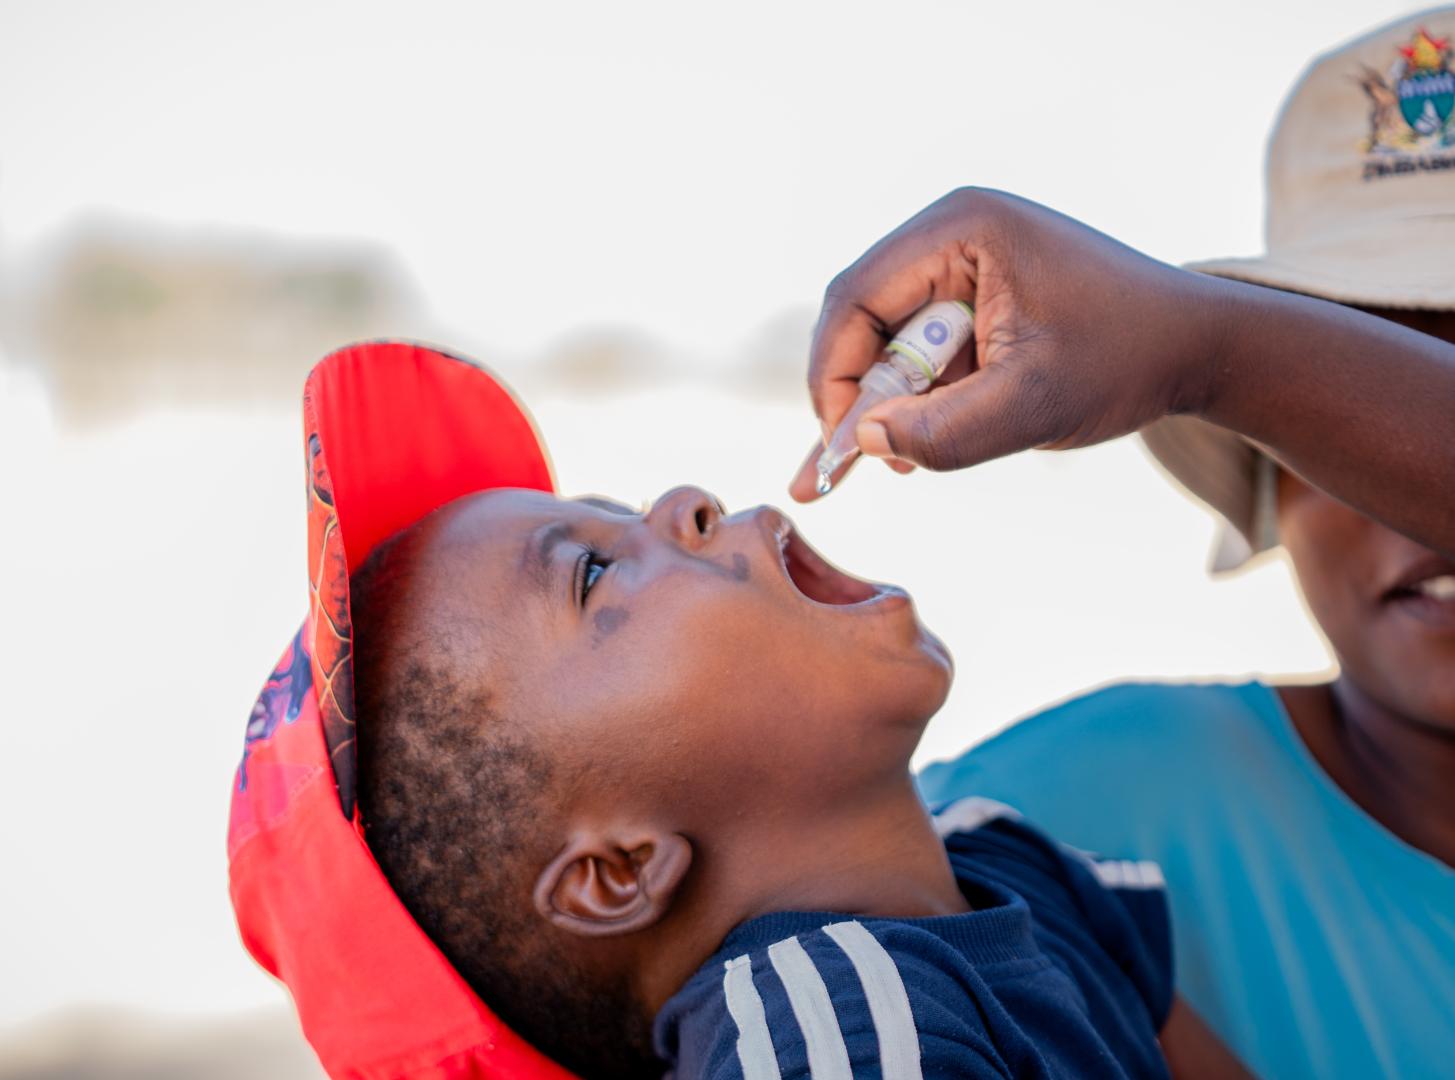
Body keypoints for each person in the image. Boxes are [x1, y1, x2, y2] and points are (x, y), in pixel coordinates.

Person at [230, 342, 1243, 1079]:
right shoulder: (819, 1034)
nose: (685, 501)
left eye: (623, 515)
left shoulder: (1006, 863)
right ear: (619, 870)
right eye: (593, 572)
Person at [790, 12, 1455, 1079]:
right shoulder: (1068, 820)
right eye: (1351, 405)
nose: (1411, 490)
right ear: (1269, 473)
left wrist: (1211, 345)